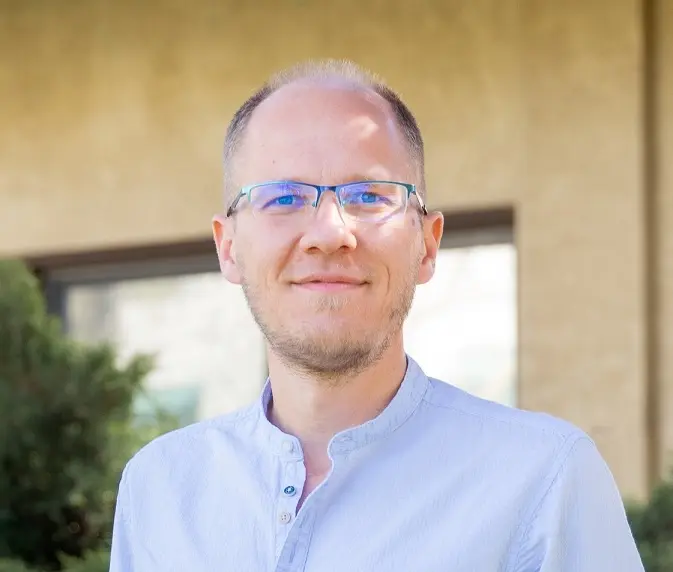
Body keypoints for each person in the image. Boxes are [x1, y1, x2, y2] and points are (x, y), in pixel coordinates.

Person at [109, 59, 644, 571]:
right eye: (283, 198)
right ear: (228, 248)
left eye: (368, 195)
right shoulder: (161, 488)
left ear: (427, 245)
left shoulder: (544, 480)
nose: (329, 234)